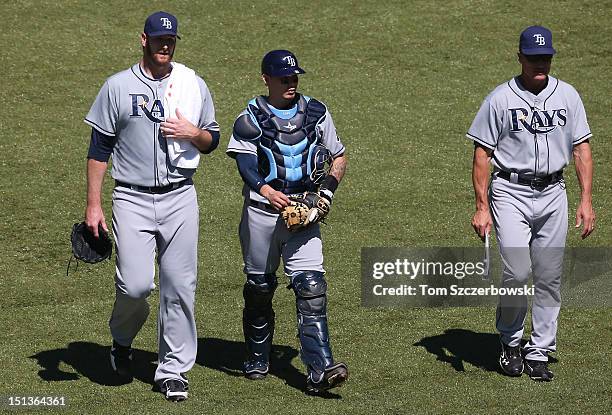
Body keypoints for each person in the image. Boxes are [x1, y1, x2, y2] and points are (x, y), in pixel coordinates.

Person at [83, 11, 220, 401]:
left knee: (179, 287)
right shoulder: (117, 87)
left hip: (180, 196)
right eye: (158, 39)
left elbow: (212, 138)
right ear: (143, 39)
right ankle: (122, 340)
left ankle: (173, 370)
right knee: (136, 284)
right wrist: (93, 206)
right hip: (131, 198)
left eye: (171, 40)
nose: (165, 45)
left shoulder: (192, 84)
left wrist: (194, 134)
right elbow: (98, 150)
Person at [467, 26, 595, 381]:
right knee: (517, 271)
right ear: (519, 57)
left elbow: (581, 148)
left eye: (546, 57)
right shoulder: (500, 99)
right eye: (533, 57)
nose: (540, 63)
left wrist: (586, 200)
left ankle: (539, 349)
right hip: (509, 192)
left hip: (555, 192)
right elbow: (482, 153)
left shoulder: (568, 95)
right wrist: (481, 206)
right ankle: (510, 341)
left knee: (550, 276)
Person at [226, 50, 349, 393]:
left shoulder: (316, 112)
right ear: (266, 78)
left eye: (294, 77)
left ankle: (320, 367)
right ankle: (257, 355)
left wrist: (326, 194)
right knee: (260, 287)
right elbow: (246, 164)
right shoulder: (251, 117)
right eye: (283, 77)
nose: (291, 82)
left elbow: (338, 156)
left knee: (312, 287)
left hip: (304, 213)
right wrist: (266, 190)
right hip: (261, 213)